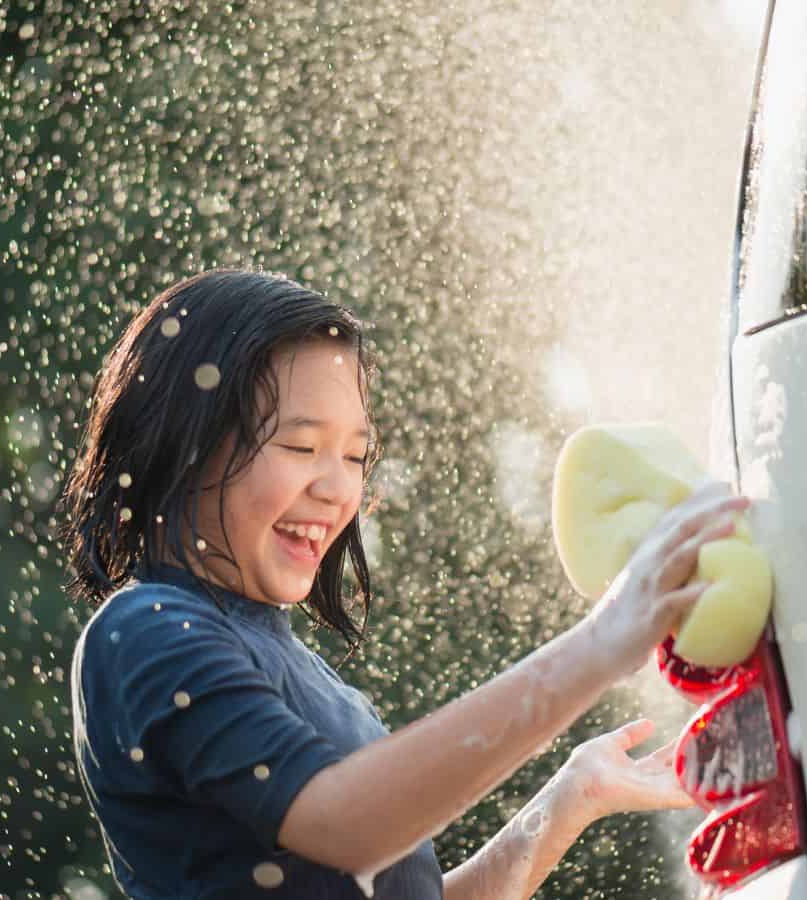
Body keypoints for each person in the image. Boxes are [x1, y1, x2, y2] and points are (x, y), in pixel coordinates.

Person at [58, 268, 747, 899]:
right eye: (300, 447)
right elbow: (347, 827)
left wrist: (572, 798)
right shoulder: (145, 632)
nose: (337, 489)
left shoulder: (305, 675)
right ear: (186, 439)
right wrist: (602, 643)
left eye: (355, 456)